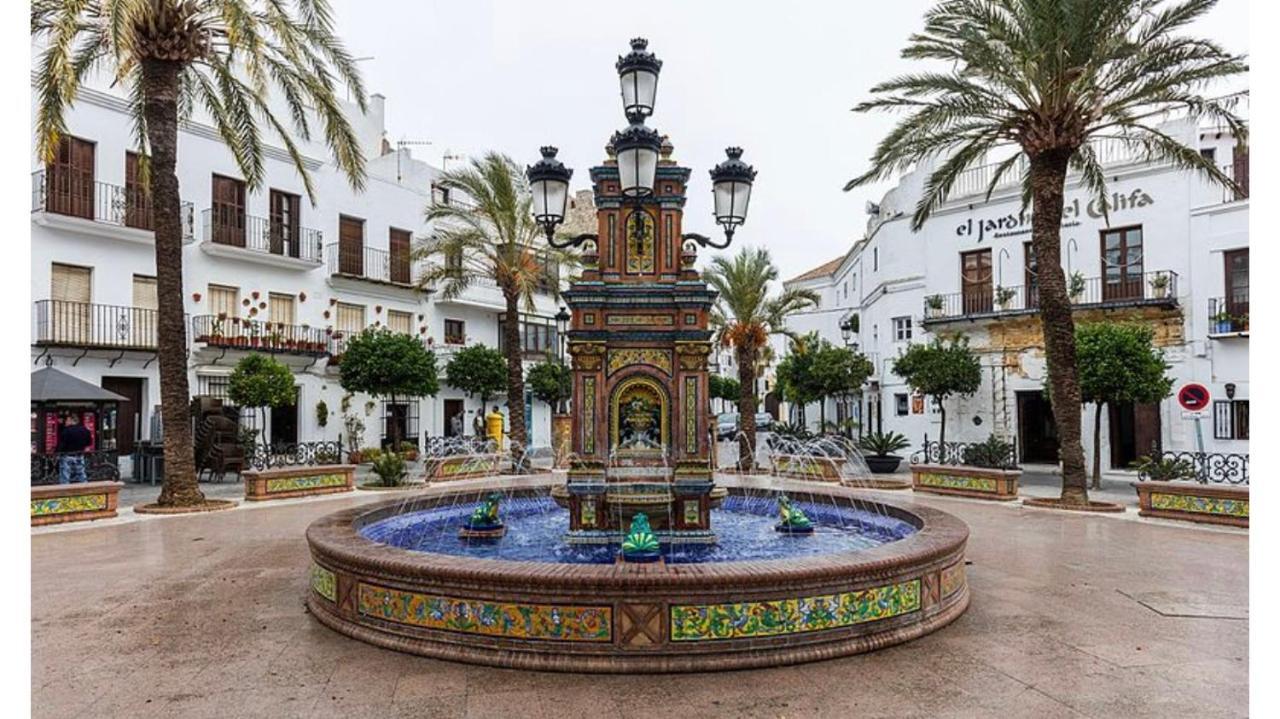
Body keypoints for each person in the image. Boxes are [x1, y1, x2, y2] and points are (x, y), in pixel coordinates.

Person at [56, 413, 92, 484]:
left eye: (66, 420)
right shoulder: (85, 430)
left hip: (67, 455)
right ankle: (85, 491)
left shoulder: (66, 431)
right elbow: (89, 443)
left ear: (70, 420)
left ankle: (65, 492)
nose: (65, 422)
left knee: (65, 477)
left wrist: (57, 453)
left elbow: (62, 444)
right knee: (81, 475)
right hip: (79, 455)